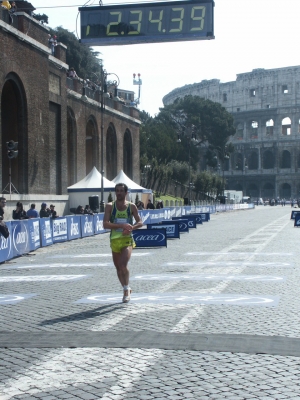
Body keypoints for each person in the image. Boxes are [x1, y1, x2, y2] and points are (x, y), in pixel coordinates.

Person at [103, 183, 143, 303]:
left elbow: (140, 222)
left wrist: (131, 228)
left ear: (126, 193)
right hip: (115, 240)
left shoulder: (132, 206)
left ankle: (126, 290)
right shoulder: (110, 206)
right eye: (117, 191)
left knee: (122, 264)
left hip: (127, 240)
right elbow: (105, 224)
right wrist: (121, 225)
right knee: (118, 268)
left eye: (121, 191)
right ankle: (126, 287)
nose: (119, 193)